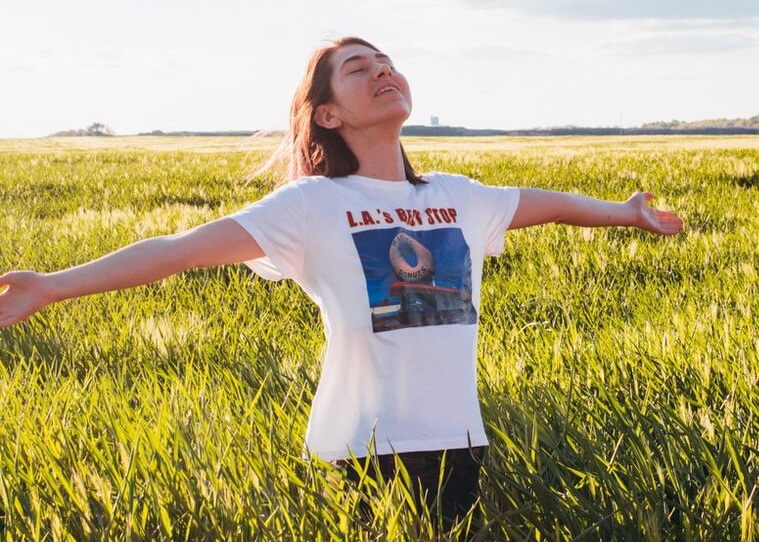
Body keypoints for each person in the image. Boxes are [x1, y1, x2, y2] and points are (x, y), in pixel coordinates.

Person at [0, 36, 683, 531]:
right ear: (327, 113)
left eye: (387, 63)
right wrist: (53, 286)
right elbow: (181, 251)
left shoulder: (459, 196)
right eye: (359, 69)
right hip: (365, 451)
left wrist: (627, 214)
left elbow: (555, 204)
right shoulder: (310, 205)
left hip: (458, 442)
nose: (383, 71)